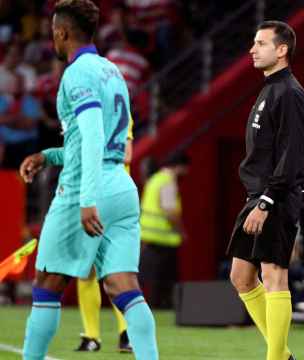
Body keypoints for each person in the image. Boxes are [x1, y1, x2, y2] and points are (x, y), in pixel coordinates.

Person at [18, 1, 158, 359]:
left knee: (47, 283)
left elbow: (94, 135)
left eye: (53, 30)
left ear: (62, 32)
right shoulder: (113, 72)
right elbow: (105, 142)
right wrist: (48, 156)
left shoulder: (77, 73)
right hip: (122, 187)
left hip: (86, 188)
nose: (52, 35)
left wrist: (86, 199)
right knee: (124, 286)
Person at [226, 20, 304, 360]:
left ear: (282, 49)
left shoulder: (290, 92)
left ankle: (275, 357)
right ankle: (283, 355)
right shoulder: (270, 88)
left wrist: (267, 200)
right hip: (258, 195)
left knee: (275, 275)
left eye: (260, 43)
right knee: (241, 276)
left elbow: (291, 154)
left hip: (276, 196)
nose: (252, 49)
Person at [75, 116, 135, 352]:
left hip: (114, 198)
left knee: (116, 269)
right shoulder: (83, 114)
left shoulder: (120, 112)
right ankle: (91, 337)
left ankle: (126, 334)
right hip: (88, 198)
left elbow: (127, 154)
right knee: (86, 270)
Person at [139, 153, 188, 308]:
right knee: (164, 277)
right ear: (180, 166)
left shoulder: (154, 179)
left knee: (152, 275)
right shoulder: (167, 181)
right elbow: (170, 211)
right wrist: (180, 230)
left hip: (148, 234)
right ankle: (161, 305)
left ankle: (155, 304)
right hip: (164, 237)